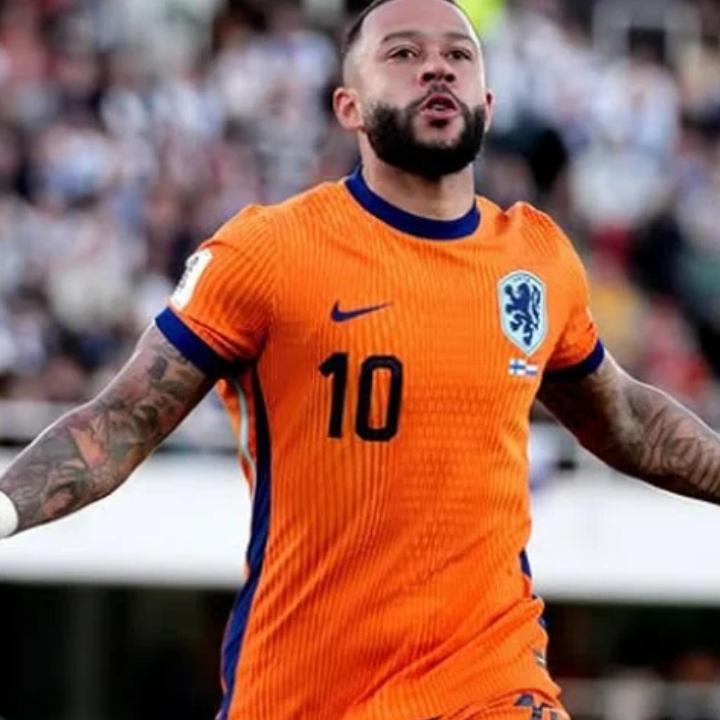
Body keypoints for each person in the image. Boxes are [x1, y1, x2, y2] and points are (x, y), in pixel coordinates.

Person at [1, 0, 719, 718]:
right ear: (348, 106)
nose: (437, 67)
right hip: (304, 690)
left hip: (489, 680)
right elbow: (123, 420)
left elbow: (623, 417)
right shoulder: (270, 252)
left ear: (489, 103)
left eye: (458, 55)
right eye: (403, 54)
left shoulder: (537, 258)